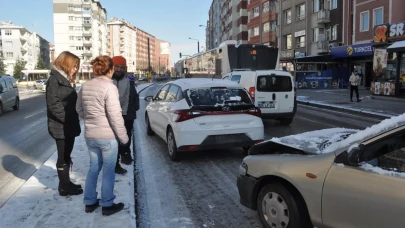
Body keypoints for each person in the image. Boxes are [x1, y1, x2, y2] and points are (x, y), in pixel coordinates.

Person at [76, 55, 128, 216]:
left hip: (91, 136)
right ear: (110, 69)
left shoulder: (85, 86)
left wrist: (92, 118)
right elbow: (115, 116)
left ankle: (90, 202)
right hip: (107, 137)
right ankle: (107, 204)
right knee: (108, 171)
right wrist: (124, 138)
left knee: (93, 169)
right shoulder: (110, 88)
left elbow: (79, 109)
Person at [46, 51, 83, 196]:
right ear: (65, 63)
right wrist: (67, 119)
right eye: (74, 66)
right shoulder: (54, 80)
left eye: (76, 67)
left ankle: (66, 183)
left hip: (68, 125)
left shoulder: (64, 79)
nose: (75, 69)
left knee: (67, 154)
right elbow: (53, 104)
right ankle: (64, 187)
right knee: (63, 156)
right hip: (61, 125)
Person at [111, 56, 131, 174]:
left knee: (117, 142)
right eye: (116, 66)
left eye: (121, 67)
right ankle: (108, 164)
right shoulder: (107, 79)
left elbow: (126, 97)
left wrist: (123, 113)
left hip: (119, 115)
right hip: (107, 116)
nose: (119, 69)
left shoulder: (126, 80)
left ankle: (116, 164)